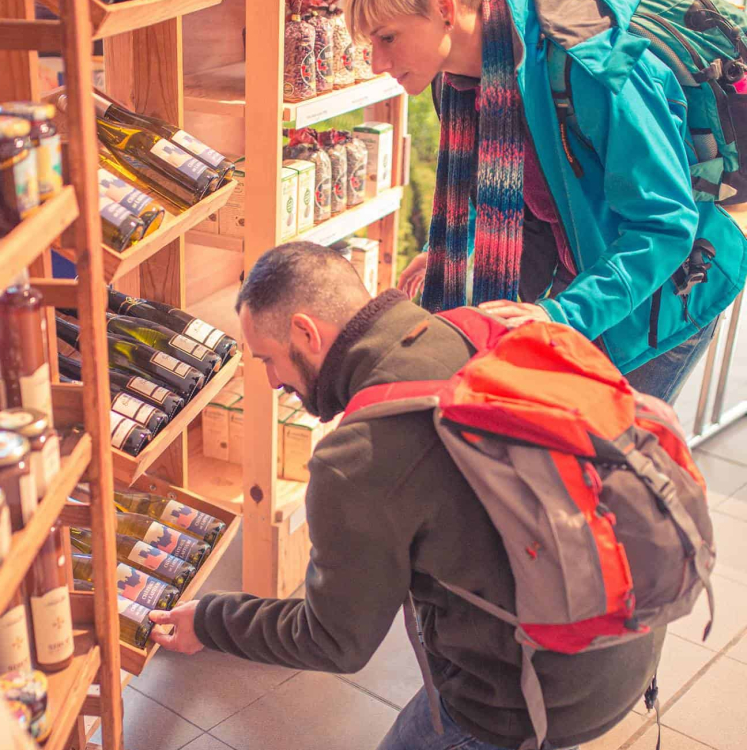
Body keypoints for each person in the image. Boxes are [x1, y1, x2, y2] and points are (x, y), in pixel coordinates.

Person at [149, 243, 665, 750]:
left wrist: (210, 620)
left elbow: (334, 640)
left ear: (306, 332)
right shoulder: (470, 324)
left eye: (269, 359)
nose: (270, 380)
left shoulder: (358, 458)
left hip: (539, 695)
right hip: (633, 621)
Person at [350, 0, 747, 404]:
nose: (377, 62)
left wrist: (561, 316)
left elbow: (665, 224)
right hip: (581, 275)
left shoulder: (590, 64)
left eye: (388, 37)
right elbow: (491, 175)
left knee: (609, 458)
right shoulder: (458, 80)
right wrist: (451, 246)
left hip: (660, 296)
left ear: (444, 10)